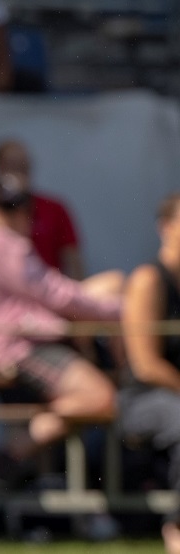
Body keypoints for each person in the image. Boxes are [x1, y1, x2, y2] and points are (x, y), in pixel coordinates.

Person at [0, 174, 121, 453]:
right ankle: (14, 453)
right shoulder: (1, 242)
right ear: (23, 212)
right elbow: (55, 294)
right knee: (100, 396)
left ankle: (25, 450)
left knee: (107, 287)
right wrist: (122, 310)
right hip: (10, 346)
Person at [117, 194, 180, 554]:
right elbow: (145, 364)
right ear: (165, 228)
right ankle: (176, 529)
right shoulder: (148, 280)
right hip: (140, 400)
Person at [0, 138, 85, 279]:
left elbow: (74, 263)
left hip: (48, 294)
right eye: (12, 165)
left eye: (24, 165)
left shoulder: (55, 210)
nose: (19, 172)